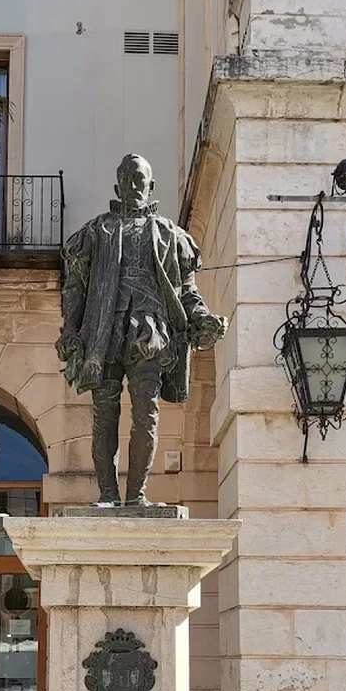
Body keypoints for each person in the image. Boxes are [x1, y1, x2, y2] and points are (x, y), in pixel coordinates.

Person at [56, 153, 227, 507]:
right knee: (104, 414)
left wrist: (202, 318)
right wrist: (70, 329)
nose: (134, 185)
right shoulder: (95, 231)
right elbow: (75, 287)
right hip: (102, 331)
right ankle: (107, 494)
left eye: (140, 179)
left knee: (146, 412)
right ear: (118, 185)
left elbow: (187, 292)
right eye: (128, 178)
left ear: (151, 187)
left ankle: (136, 497)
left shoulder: (171, 235)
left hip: (149, 331)